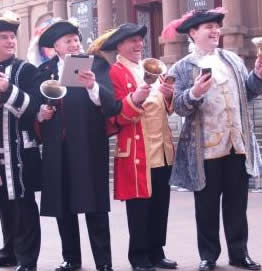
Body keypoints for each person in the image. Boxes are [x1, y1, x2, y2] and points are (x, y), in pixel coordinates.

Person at [162, 7, 262, 271]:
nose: (215, 31)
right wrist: (194, 92)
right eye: (209, 27)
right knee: (205, 206)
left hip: (236, 144)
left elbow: (248, 93)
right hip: (203, 150)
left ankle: (239, 254)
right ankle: (208, 256)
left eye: (217, 26)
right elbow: (178, 107)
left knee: (237, 204)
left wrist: (258, 76)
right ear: (193, 33)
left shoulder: (232, 59)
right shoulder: (183, 67)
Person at [88, 23, 177, 271]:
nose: (138, 45)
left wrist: (168, 94)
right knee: (140, 207)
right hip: (136, 150)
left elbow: (165, 109)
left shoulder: (153, 67)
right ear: (119, 46)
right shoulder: (114, 73)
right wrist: (134, 99)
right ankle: (138, 257)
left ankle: (157, 252)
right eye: (132, 41)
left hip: (161, 148)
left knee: (160, 203)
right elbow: (113, 115)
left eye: (140, 40)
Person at [34, 19, 122, 271]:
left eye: (76, 40)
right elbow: (35, 112)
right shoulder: (45, 71)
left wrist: (92, 85)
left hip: (87, 146)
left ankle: (103, 262)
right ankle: (71, 258)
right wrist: (41, 114)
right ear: (56, 47)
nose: (74, 45)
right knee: (63, 207)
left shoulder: (96, 65)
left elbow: (110, 104)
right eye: (67, 41)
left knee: (94, 207)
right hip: (57, 149)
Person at [0, 11, 41, 271]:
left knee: (23, 204)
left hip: (19, 151)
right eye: (3, 37)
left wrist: (8, 91)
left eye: (12, 37)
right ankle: (10, 249)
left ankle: (28, 260)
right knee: (4, 203)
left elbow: (33, 109)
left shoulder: (26, 70)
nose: (10, 41)